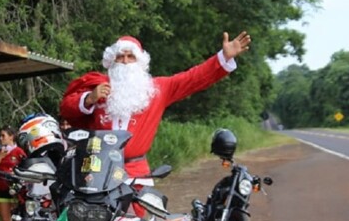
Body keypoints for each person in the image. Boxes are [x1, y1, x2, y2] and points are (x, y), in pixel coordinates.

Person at [60, 32, 251, 186]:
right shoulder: (97, 87)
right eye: (120, 57)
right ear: (112, 62)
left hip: (136, 174)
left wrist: (223, 57)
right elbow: (67, 108)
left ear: (140, 62)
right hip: (97, 170)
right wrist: (90, 99)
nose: (125, 61)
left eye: (130, 57)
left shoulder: (156, 90)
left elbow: (194, 78)